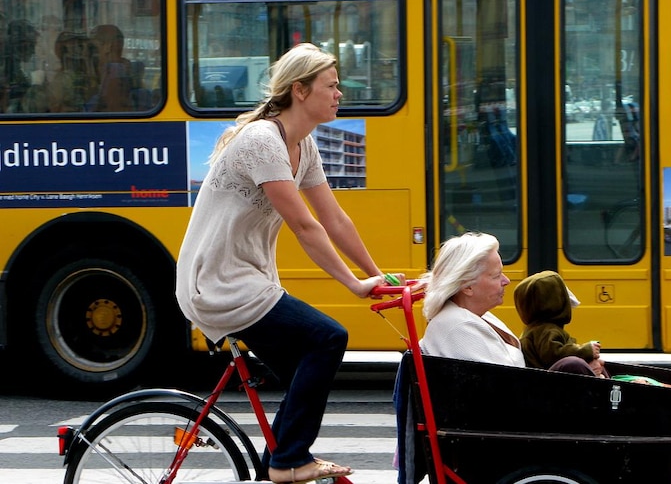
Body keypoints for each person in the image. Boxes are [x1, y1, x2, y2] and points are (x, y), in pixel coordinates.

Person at [176, 43, 395, 484]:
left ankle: (275, 465)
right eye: (331, 86)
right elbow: (306, 227)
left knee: (304, 375)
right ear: (300, 90)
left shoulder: (302, 145)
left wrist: (376, 274)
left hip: (247, 279)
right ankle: (288, 461)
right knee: (328, 338)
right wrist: (354, 285)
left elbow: (335, 218)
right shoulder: (262, 141)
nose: (339, 95)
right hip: (220, 283)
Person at [418, 231, 524, 367]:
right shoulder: (458, 326)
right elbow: (508, 377)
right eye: (496, 275)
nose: (506, 281)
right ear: (467, 286)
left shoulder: (465, 316)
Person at [515, 270, 608, 377]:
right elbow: (556, 355)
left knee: (598, 363)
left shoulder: (540, 328)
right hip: (547, 384)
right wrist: (586, 350)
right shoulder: (546, 331)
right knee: (574, 363)